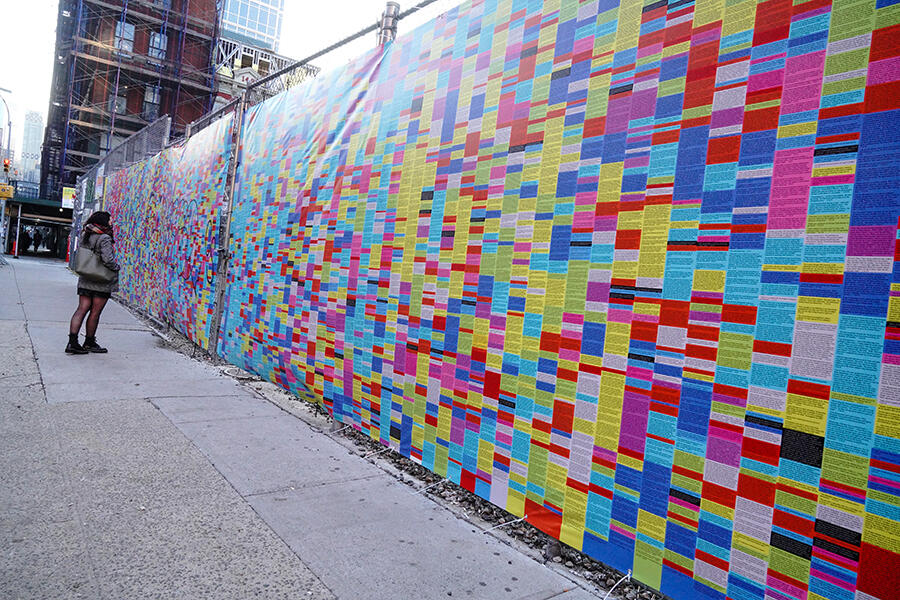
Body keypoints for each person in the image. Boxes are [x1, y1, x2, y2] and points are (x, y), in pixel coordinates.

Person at [66, 211, 119, 354]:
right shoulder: (104, 237)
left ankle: (72, 342)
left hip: (86, 278)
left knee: (81, 309)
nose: (112, 222)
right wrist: (116, 267)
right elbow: (107, 259)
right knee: (95, 313)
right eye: (110, 219)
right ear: (104, 221)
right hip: (101, 280)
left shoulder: (86, 234)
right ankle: (89, 342)